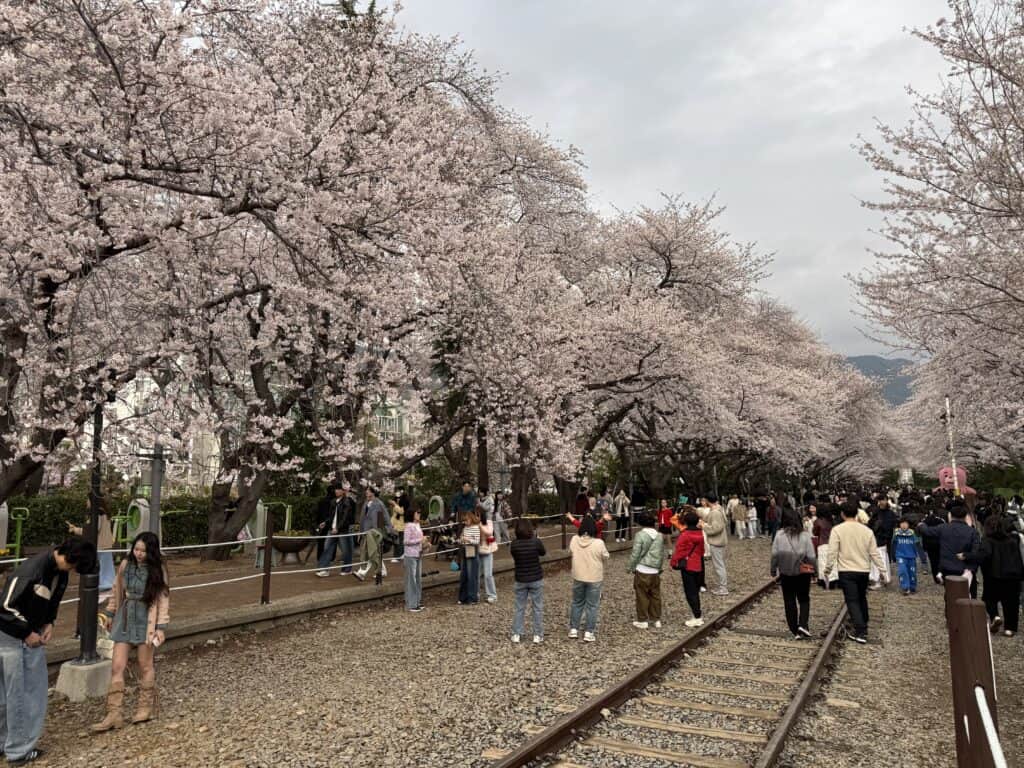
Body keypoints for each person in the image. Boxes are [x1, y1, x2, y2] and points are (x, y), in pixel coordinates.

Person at [0, 536, 96, 764]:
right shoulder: (31, 570)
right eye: (72, 566)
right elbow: (4, 608)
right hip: (16, 637)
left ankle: (6, 743)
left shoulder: (58, 571)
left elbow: (52, 601)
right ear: (68, 557)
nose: (71, 571)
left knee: (8, 694)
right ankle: (19, 750)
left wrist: (49, 622)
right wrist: (26, 632)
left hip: (24, 634)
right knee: (24, 694)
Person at [93, 532, 169, 732]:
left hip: (147, 619)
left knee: (145, 664)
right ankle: (114, 713)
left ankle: (145, 707)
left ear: (151, 551)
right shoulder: (126, 565)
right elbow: (116, 590)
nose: (139, 553)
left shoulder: (158, 569)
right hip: (125, 616)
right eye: (136, 549)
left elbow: (163, 599)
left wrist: (161, 627)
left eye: (143, 550)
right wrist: (109, 613)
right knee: (117, 665)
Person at [825, 502, 888, 644]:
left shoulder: (837, 530)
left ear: (842, 514)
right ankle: (863, 622)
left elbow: (832, 552)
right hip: (863, 570)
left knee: (852, 600)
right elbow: (874, 553)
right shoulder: (867, 531)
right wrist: (883, 571)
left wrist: (827, 569)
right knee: (861, 597)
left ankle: (861, 631)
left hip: (846, 570)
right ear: (857, 513)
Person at [963, 514, 1023, 637]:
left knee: (989, 599)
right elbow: (1019, 558)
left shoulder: (987, 541)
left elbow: (983, 556)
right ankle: (1009, 629)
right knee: (1011, 603)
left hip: (993, 576)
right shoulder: (1013, 540)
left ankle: (995, 616)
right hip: (1013, 576)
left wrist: (966, 555)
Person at [770, 508, 817, 639]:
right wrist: (815, 571)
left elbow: (774, 555)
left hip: (785, 573)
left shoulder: (779, 535)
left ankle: (794, 628)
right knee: (804, 598)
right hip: (803, 573)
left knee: (789, 600)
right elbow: (812, 556)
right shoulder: (805, 535)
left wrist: (773, 569)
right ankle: (803, 624)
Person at [919, 504, 982, 598]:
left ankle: (952, 611)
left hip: (947, 568)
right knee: (969, 595)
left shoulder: (943, 528)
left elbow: (927, 531)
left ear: (950, 516)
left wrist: (921, 524)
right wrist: (966, 555)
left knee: (950, 595)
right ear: (965, 517)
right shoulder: (972, 532)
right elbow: (976, 552)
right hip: (967, 568)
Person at [568, 516, 610, 642]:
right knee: (592, 606)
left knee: (577, 602)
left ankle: (573, 629)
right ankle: (588, 632)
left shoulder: (574, 540)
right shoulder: (599, 543)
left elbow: (570, 552)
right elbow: (606, 556)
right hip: (594, 577)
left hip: (578, 576)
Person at [66, 495, 115, 595]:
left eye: (88, 500)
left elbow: (92, 530)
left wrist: (75, 530)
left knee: (100, 567)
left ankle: (103, 586)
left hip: (100, 545)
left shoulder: (97, 514)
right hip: (105, 544)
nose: (86, 502)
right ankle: (107, 585)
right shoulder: (103, 513)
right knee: (106, 567)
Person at [627, 512, 665, 629]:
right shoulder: (659, 535)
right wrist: (659, 568)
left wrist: (630, 567)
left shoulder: (640, 535)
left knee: (642, 595)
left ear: (641, 523)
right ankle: (656, 619)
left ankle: (643, 620)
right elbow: (661, 554)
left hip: (642, 568)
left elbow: (636, 553)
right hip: (655, 570)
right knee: (655, 595)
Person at [510, 519, 546, 644]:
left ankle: (516, 633)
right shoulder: (535, 542)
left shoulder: (514, 544)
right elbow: (543, 552)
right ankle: (537, 634)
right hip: (535, 577)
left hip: (520, 578)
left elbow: (514, 555)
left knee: (520, 607)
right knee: (537, 607)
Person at [670, 510, 706, 627]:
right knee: (695, 591)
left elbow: (679, 551)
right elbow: (702, 551)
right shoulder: (700, 534)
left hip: (687, 565)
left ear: (685, 522)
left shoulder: (685, 535)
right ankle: (697, 614)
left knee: (690, 592)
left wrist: (673, 562)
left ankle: (697, 616)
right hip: (698, 564)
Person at [315, 484, 356, 577]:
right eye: (335, 489)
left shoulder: (347, 501)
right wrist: (325, 522)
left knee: (346, 550)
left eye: (338, 489)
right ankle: (324, 569)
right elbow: (331, 515)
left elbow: (345, 517)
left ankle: (347, 569)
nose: (336, 491)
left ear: (343, 491)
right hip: (331, 529)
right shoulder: (333, 501)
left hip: (342, 530)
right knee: (327, 548)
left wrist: (338, 528)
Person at [353, 488, 392, 582]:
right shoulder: (366, 503)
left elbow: (382, 519)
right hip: (366, 532)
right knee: (375, 553)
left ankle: (362, 572)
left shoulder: (378, 504)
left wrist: (382, 531)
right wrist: (360, 532)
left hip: (374, 533)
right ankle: (382, 571)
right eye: (366, 491)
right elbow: (362, 519)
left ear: (373, 493)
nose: (366, 493)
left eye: (368, 491)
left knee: (370, 552)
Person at [701, 494, 729, 595]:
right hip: (720, 541)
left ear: (708, 501)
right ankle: (721, 586)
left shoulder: (715, 513)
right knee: (719, 565)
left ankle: (723, 588)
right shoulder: (718, 509)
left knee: (719, 566)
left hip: (717, 542)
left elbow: (716, 528)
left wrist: (704, 526)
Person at [868, 498, 897, 590]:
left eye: (884, 500)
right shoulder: (876, 512)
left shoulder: (890, 514)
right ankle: (881, 579)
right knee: (879, 559)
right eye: (881, 500)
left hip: (883, 539)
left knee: (881, 559)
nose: (882, 502)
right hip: (876, 539)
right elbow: (870, 524)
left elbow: (891, 526)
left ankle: (881, 579)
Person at [403, 508, 426, 613]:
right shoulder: (408, 526)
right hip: (410, 555)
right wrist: (420, 540)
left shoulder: (418, 525)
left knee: (418, 579)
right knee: (412, 579)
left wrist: (424, 544)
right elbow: (406, 541)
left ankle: (417, 601)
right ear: (412, 514)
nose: (419, 514)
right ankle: (412, 604)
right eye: (418, 512)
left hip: (418, 554)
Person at [457, 510, 481, 605]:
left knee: (472, 575)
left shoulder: (475, 528)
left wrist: (467, 539)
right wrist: (460, 540)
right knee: (464, 575)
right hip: (464, 549)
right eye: (464, 521)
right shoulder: (465, 528)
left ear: (470, 519)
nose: (465, 522)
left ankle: (472, 597)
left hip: (472, 550)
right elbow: (462, 538)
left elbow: (477, 541)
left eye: (466, 520)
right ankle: (463, 597)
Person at [892, 518, 919, 595]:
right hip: (900, 555)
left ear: (909, 524)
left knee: (912, 572)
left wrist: (918, 555)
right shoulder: (896, 534)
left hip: (911, 556)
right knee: (902, 571)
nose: (904, 525)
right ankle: (905, 587)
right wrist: (893, 556)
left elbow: (917, 544)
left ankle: (912, 587)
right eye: (902, 523)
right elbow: (893, 545)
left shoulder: (912, 533)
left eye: (906, 523)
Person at [478, 506, 498, 604]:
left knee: (488, 574)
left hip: (487, 551)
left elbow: (489, 532)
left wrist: (480, 525)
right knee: (476, 575)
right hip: (476, 551)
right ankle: (476, 594)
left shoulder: (488, 522)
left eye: (477, 514)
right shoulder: (471, 524)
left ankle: (492, 595)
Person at [921, 506, 945, 583]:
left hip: (929, 545)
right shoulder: (941, 520)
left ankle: (936, 578)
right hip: (939, 544)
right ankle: (941, 575)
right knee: (940, 560)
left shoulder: (924, 521)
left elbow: (922, 533)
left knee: (933, 561)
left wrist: (924, 546)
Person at [388, 497, 405, 564]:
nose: (398, 499)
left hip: (400, 527)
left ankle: (397, 557)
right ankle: (401, 555)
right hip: (396, 527)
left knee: (398, 542)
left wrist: (394, 504)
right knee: (399, 542)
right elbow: (394, 516)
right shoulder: (397, 506)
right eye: (397, 498)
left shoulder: (402, 506)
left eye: (399, 498)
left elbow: (401, 512)